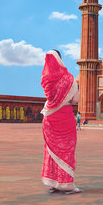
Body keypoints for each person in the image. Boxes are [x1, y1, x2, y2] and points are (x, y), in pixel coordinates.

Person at [40, 50, 81, 194]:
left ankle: (52, 183)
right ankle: (67, 185)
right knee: (66, 151)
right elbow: (76, 99)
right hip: (64, 118)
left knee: (51, 152)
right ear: (60, 60)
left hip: (50, 119)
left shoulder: (45, 80)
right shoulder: (69, 79)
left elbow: (49, 97)